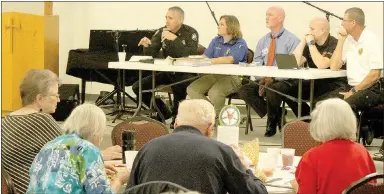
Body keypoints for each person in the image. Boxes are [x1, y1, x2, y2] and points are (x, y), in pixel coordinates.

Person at [1, 69, 122, 194]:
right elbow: (73, 151)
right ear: (40, 99)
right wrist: (101, 155)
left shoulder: (7, 119)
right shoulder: (40, 119)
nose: (59, 100)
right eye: (55, 95)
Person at [126, 99, 267, 194]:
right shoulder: (221, 152)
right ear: (210, 128)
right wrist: (246, 168)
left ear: (176, 123)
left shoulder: (147, 148)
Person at [27, 104, 130, 194]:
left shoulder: (49, 145)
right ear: (95, 131)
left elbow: (58, 173)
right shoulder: (88, 149)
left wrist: (96, 166)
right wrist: (119, 180)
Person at [266, 18, 346, 129]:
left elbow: (322, 65)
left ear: (322, 30)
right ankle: (309, 121)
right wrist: (303, 42)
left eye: (312, 29)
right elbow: (291, 63)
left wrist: (311, 44)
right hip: (315, 82)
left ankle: (317, 126)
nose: (309, 31)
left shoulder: (333, 43)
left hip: (332, 84)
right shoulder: (309, 43)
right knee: (287, 92)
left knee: (318, 102)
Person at [237, 6, 300, 137]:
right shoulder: (263, 41)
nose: (266, 17)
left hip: (285, 80)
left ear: (280, 18)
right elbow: (257, 64)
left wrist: (274, 78)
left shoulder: (292, 40)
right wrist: (262, 78)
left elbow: (292, 66)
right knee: (244, 90)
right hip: (265, 80)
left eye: (270, 15)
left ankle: (271, 122)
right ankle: (277, 114)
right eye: (266, 15)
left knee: (273, 88)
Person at [294, 98, 376, 194]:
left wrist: (296, 189)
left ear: (319, 124)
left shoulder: (312, 157)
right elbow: (372, 186)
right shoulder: (362, 151)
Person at [133, 6, 199, 126]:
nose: (167, 21)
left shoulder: (191, 33)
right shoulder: (161, 31)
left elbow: (189, 55)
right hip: (168, 71)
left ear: (180, 20)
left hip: (186, 73)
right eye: (166, 17)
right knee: (138, 87)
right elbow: (151, 54)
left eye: (171, 18)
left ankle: (177, 116)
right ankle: (164, 111)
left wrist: (175, 39)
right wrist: (147, 45)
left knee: (179, 85)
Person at [186, 15, 248, 116]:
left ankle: (217, 119)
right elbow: (205, 57)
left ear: (231, 26)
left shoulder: (240, 43)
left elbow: (230, 60)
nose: (218, 26)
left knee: (214, 92)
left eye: (221, 24)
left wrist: (209, 61)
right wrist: (188, 60)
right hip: (214, 75)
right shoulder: (216, 40)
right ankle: (211, 114)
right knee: (192, 89)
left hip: (233, 77)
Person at [328, 7, 383, 111]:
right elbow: (334, 66)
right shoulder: (348, 40)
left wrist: (353, 91)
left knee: (343, 107)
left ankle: (352, 127)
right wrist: (341, 40)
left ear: (353, 22)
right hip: (350, 87)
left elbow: (375, 75)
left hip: (370, 89)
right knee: (325, 103)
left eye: (344, 20)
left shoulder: (371, 40)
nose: (342, 24)